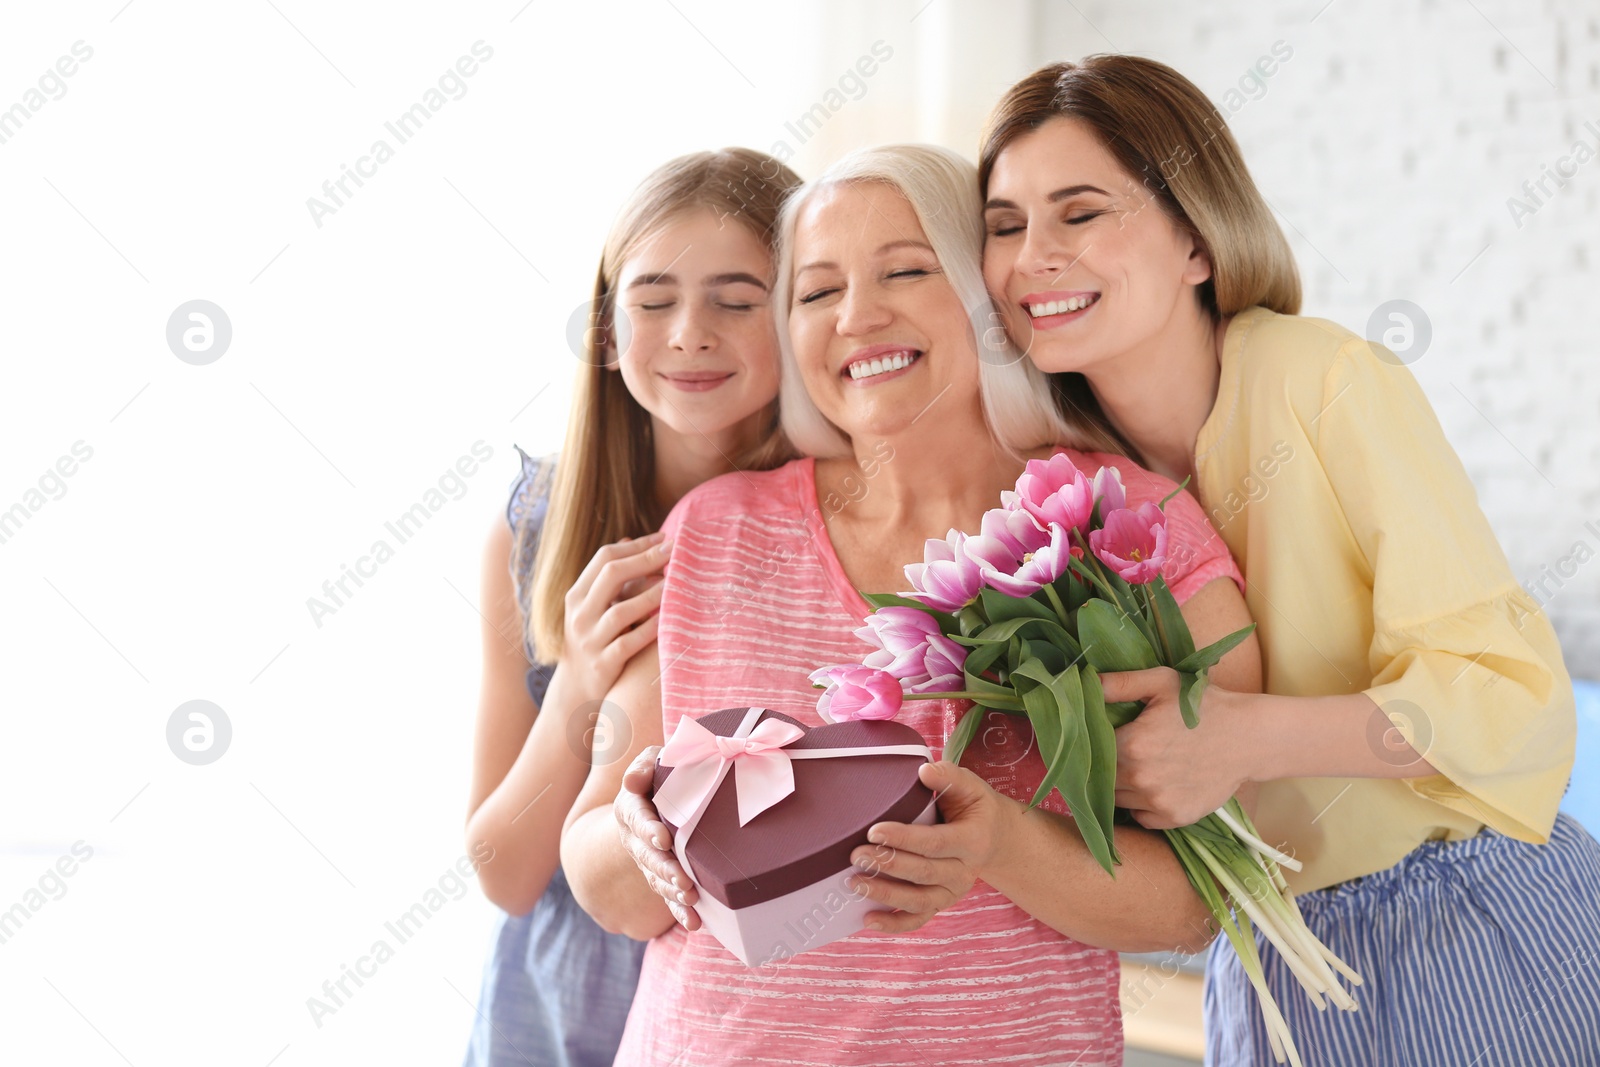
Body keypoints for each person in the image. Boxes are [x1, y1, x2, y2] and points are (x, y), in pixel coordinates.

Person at [560, 144, 1262, 1066]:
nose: (857, 316)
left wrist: (1004, 845)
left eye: (905, 270)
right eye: (815, 292)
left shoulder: (1136, 530)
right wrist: (643, 833)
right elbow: (606, 882)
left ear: (988, 294)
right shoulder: (711, 532)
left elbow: (1206, 896)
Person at [978, 55, 1600, 1065]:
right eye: (1003, 225)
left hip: (1462, 925)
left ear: (1193, 238)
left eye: (1079, 212)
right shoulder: (1068, 490)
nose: (1028, 257)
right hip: (1267, 972)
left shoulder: (1321, 379)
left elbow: (1512, 698)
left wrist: (1243, 736)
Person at [459, 147, 800, 1067]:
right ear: (607, 333)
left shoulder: (837, 524)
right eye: (653, 301)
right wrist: (578, 679)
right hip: (560, 1010)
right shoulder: (532, 532)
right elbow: (504, 873)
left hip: (746, 1008)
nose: (690, 331)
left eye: (738, 299)